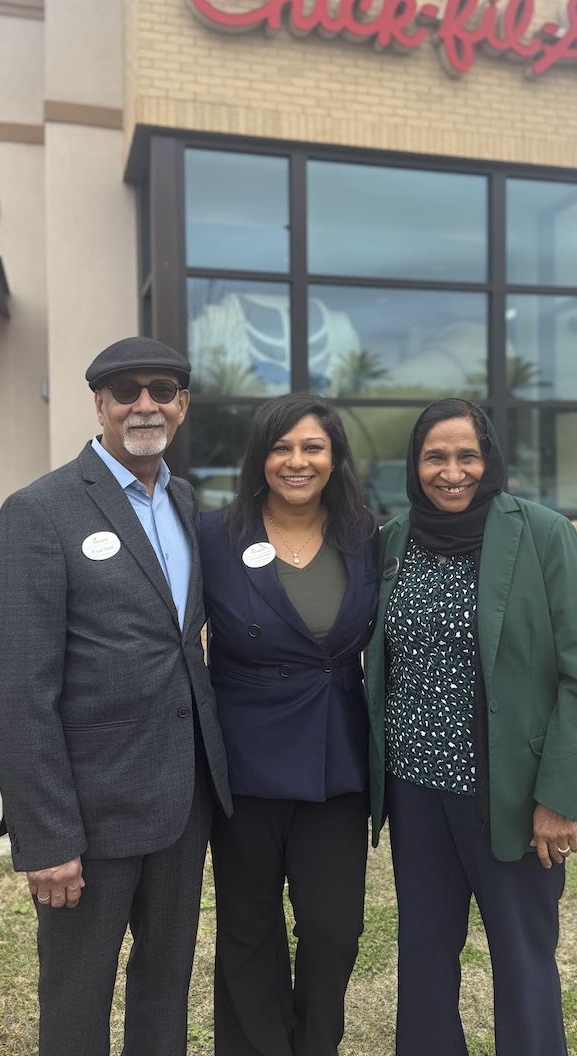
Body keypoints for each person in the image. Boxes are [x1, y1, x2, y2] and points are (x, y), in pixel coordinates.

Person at [0, 336, 232, 1056]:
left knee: (165, 987)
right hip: (89, 819)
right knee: (76, 998)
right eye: (126, 391)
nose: (145, 404)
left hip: (183, 803)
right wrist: (48, 837)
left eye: (162, 390)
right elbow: (20, 692)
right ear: (100, 405)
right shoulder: (41, 510)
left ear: (183, 406)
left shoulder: (186, 502)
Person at [365, 398, 577, 1056]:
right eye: (435, 457)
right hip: (416, 792)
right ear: (414, 466)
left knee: (521, 958)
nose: (451, 472)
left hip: (509, 792)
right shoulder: (395, 541)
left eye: (467, 456)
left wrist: (559, 797)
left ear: (490, 461)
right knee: (423, 955)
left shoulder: (542, 534)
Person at [196, 393, 379, 1056]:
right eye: (281, 447)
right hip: (244, 762)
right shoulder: (213, 537)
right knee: (248, 929)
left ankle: (315, 1045)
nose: (296, 461)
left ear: (334, 458)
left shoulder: (364, 537)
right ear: (259, 458)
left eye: (312, 447)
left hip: (337, 761)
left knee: (334, 930)